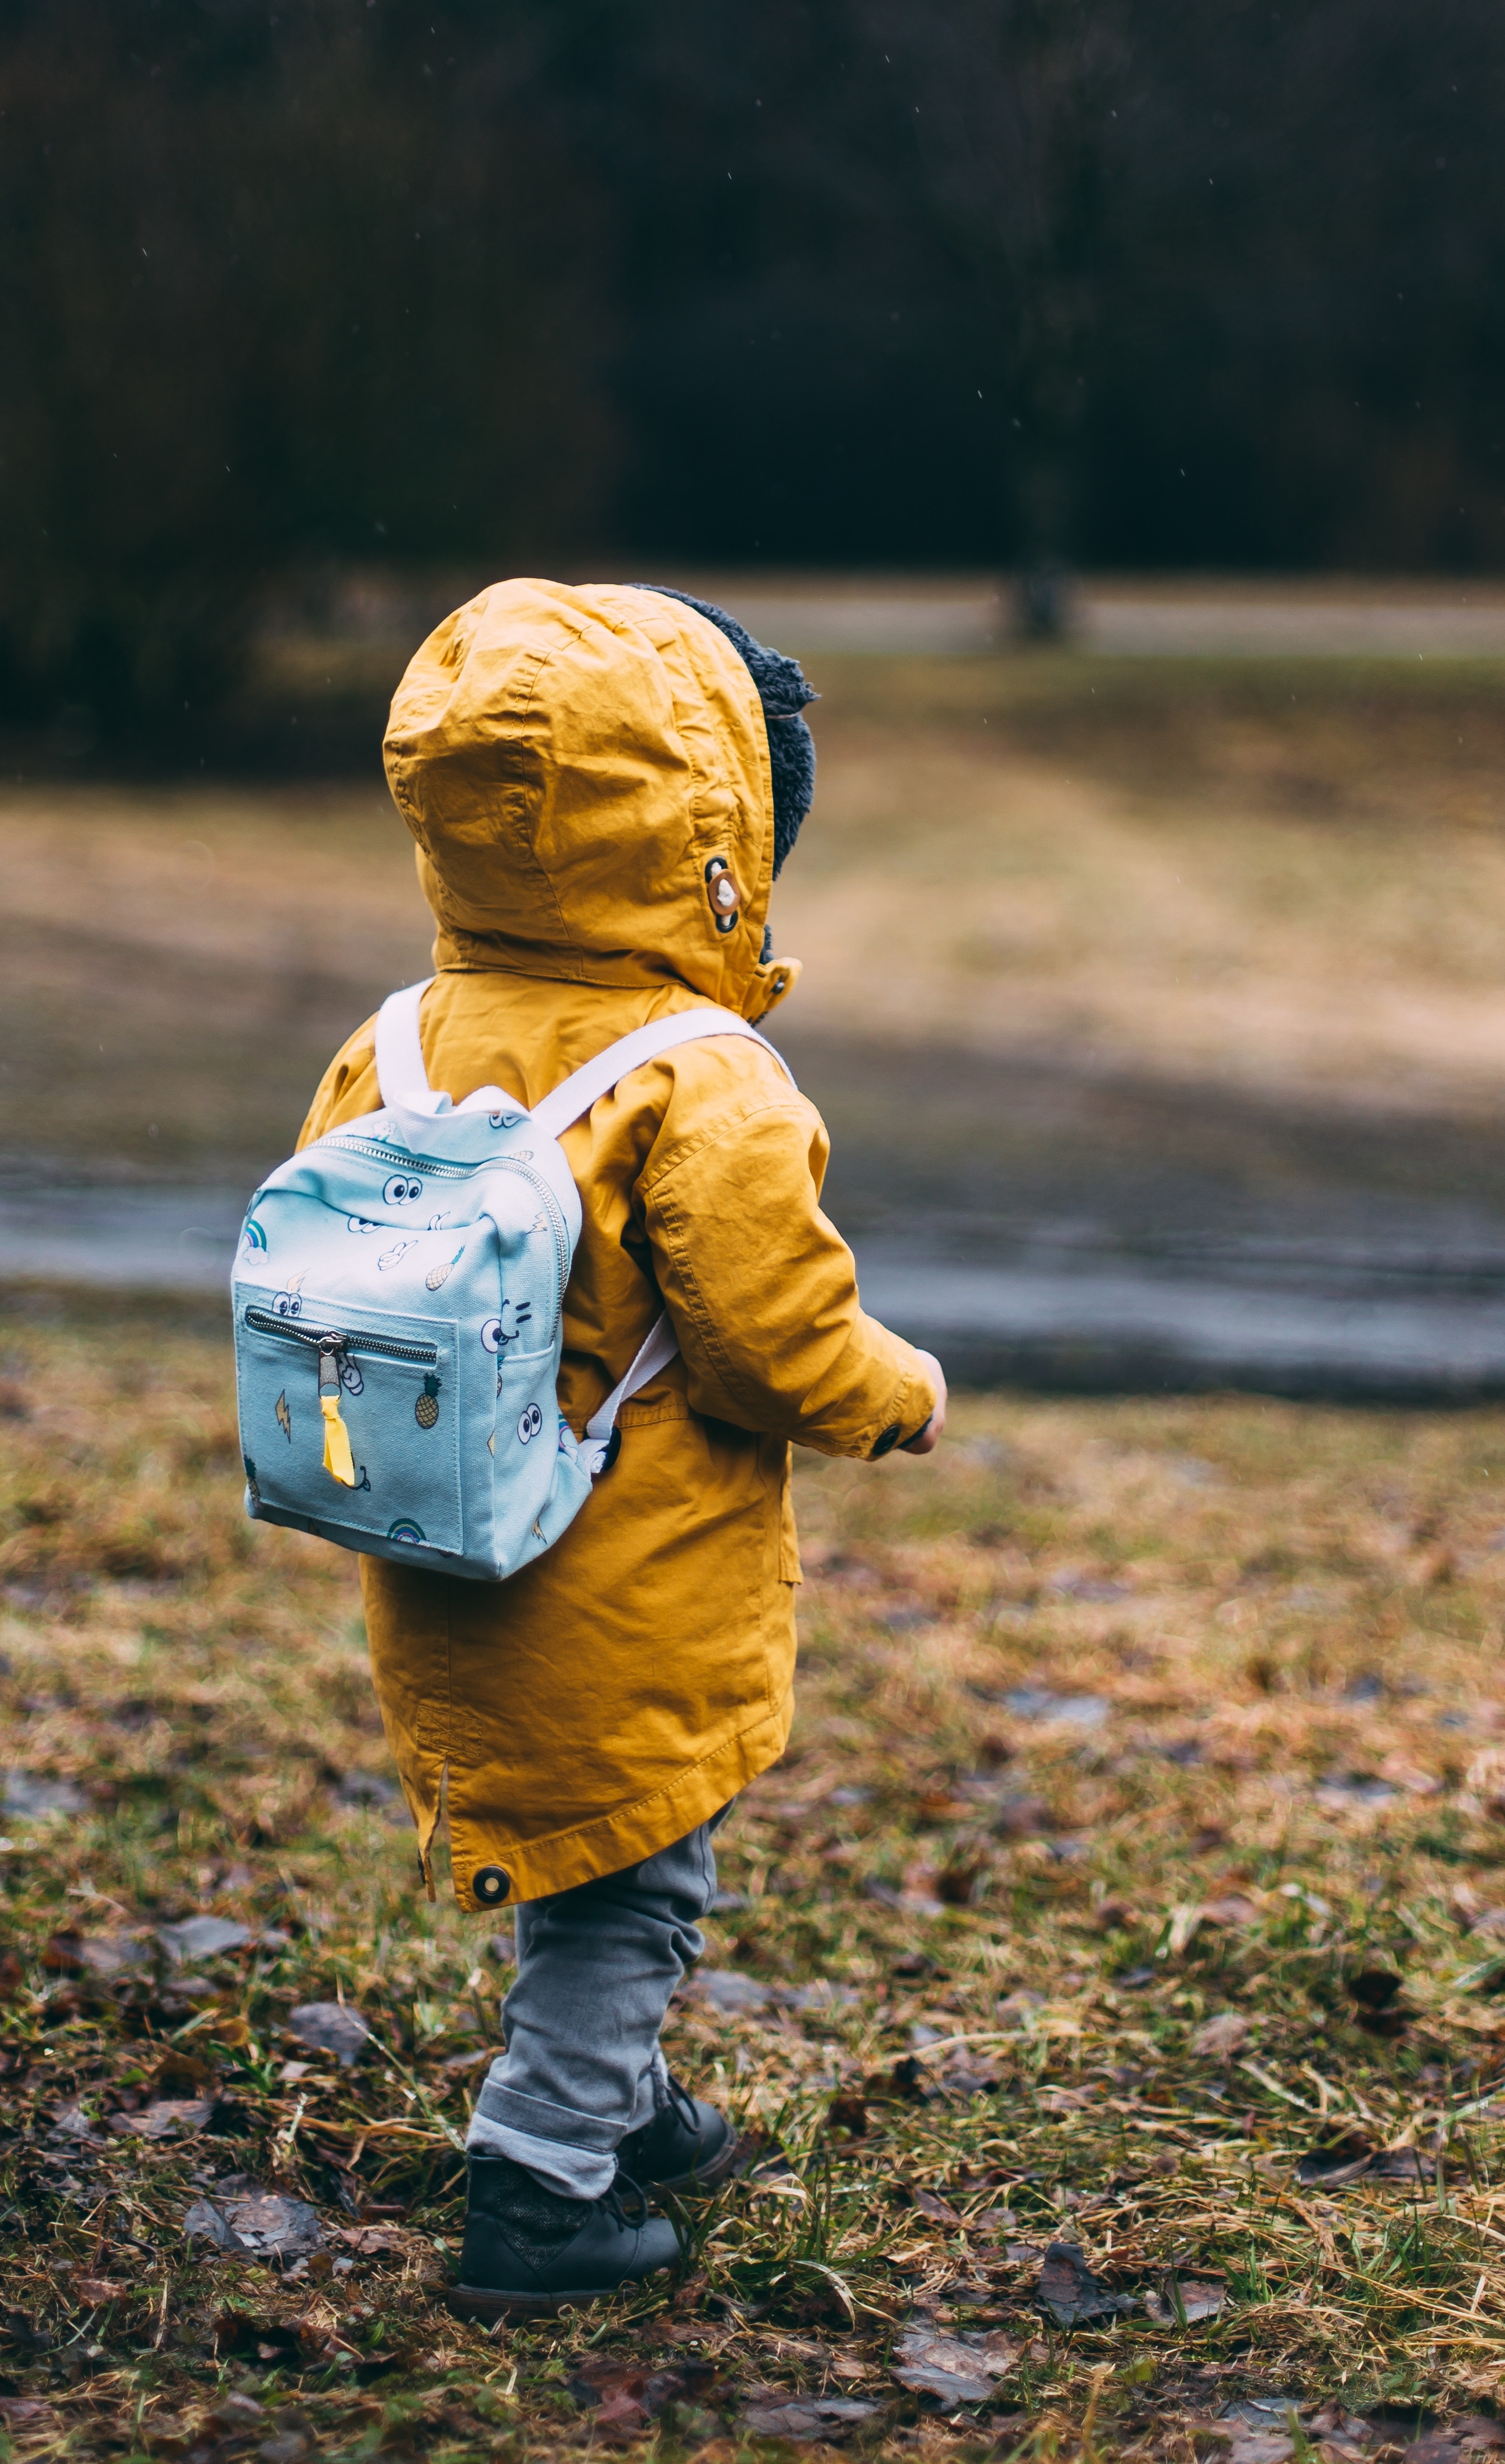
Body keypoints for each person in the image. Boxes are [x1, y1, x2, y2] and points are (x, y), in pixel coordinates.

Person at [295, 578, 945, 2317]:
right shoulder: (698, 1075)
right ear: (713, 832)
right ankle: (544, 2179)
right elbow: (771, 1338)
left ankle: (625, 2102)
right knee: (637, 1883)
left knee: (588, 1846)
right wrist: (897, 1389)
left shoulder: (399, 1044)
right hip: (625, 1569)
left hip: (446, 1550)